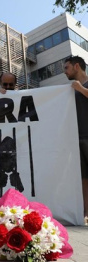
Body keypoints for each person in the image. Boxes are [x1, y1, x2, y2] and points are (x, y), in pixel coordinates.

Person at [64, 56, 88, 225]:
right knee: (83, 178)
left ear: (77, 66)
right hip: (77, 138)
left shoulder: (80, 87)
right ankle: (86, 212)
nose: (65, 71)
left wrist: (81, 89)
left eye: (67, 68)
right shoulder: (70, 89)